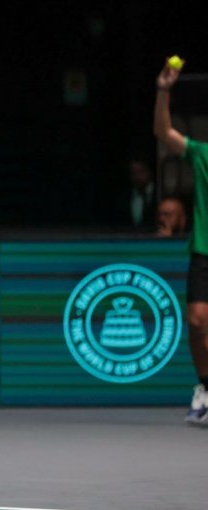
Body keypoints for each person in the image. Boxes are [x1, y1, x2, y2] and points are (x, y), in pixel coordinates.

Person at [153, 58, 208, 425]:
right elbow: (163, 132)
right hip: (204, 250)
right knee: (198, 321)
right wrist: (163, 90)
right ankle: (205, 388)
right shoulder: (203, 153)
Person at [129, 158, 157, 231]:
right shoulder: (125, 197)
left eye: (141, 171)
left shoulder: (159, 193)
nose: (138, 177)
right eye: (134, 173)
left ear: (150, 172)